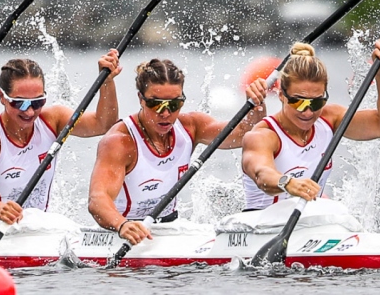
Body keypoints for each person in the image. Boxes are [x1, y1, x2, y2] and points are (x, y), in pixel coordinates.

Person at [87, 58, 268, 245]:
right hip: (124, 232)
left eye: (174, 104)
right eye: (156, 104)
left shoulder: (191, 126)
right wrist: (122, 225)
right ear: (141, 99)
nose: (165, 113)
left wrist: (257, 104)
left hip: (169, 229)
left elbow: (246, 134)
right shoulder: (120, 142)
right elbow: (98, 200)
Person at [0, 49, 123, 225]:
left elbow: (103, 124)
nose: (30, 112)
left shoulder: (53, 119)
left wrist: (107, 82)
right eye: (20, 103)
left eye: (38, 102)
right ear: (2, 97)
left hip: (37, 227)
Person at [241, 39, 380, 211]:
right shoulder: (263, 136)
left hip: (308, 225)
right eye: (298, 102)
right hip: (263, 226)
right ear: (281, 95)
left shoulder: (329, 118)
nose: (308, 112)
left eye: (316, 102)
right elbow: (261, 175)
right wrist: (287, 183)